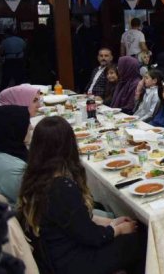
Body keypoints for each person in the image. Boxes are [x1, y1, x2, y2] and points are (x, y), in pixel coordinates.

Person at [17, 116, 145, 274]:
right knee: (140, 239)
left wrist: (113, 223)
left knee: (132, 232)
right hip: (74, 261)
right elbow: (92, 237)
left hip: (55, 254)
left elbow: (77, 223)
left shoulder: (34, 178)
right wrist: (117, 230)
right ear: (68, 145)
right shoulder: (61, 187)